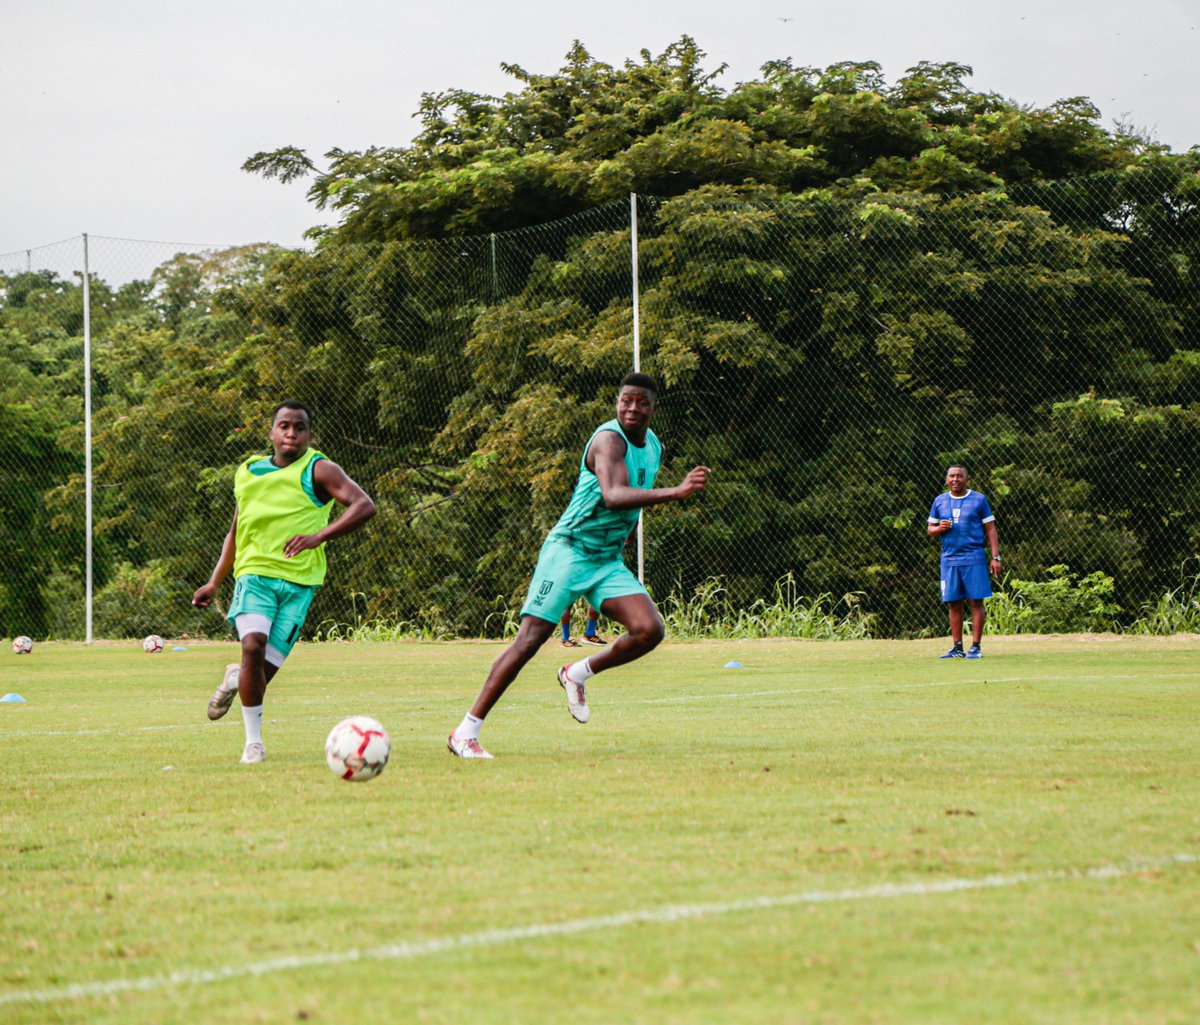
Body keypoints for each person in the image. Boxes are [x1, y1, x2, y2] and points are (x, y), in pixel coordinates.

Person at [448, 372, 709, 758]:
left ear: (654, 407)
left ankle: (577, 673)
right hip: (569, 551)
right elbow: (615, 495)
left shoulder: (653, 445)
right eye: (626, 401)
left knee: (649, 629)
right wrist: (678, 491)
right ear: (617, 403)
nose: (632, 408)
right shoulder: (607, 440)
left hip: (605, 559)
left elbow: (630, 505)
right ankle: (465, 733)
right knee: (530, 640)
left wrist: (622, 540)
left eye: (641, 402)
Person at [192, 402, 376, 764]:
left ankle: (234, 680)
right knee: (252, 646)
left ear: (309, 434)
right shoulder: (248, 472)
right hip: (255, 575)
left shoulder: (319, 470)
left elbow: (363, 505)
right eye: (284, 426)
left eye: (300, 428)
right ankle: (253, 743)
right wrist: (215, 582)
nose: (291, 433)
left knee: (261, 673)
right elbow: (235, 531)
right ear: (272, 432)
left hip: (300, 582)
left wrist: (319, 536)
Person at [927, 464, 1000, 659]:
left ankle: (975, 647)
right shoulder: (940, 501)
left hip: (973, 557)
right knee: (953, 603)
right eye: (952, 476)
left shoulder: (979, 499)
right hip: (949, 559)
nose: (955, 479)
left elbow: (991, 528)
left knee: (975, 601)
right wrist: (939, 528)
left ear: (967, 479)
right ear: (946, 479)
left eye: (959, 476)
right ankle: (957, 648)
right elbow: (930, 530)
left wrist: (995, 557)